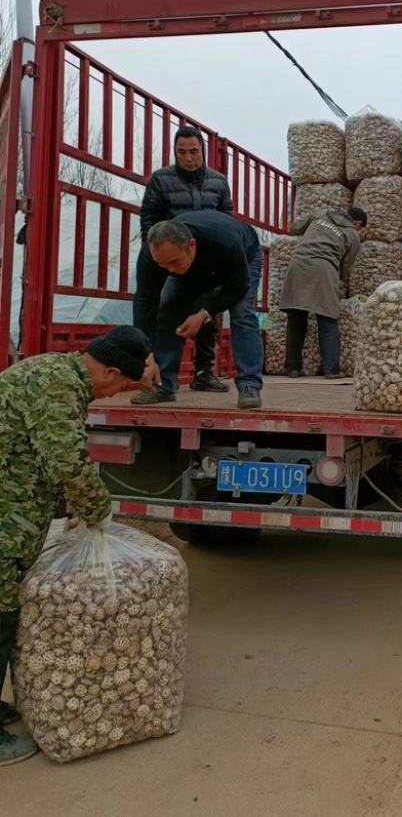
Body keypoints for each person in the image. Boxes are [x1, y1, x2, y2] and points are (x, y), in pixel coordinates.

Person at [0, 326, 152, 766]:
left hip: (11, 515)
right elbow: (66, 461)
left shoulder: (53, 371)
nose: (116, 394)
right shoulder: (57, 385)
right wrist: (99, 510)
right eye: (121, 385)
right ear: (107, 371)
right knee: (0, 616)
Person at [134, 124, 233, 394]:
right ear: (175, 153)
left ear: (203, 150)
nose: (188, 157)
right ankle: (164, 378)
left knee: (207, 314)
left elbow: (226, 219)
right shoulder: (160, 180)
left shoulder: (219, 182)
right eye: (182, 152)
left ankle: (203, 372)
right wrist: (156, 255)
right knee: (167, 312)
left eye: (193, 151)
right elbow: (149, 220)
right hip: (171, 258)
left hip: (206, 260)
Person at [134, 211, 264, 410]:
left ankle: (249, 385)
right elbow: (145, 303)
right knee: (167, 310)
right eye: (162, 265)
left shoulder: (225, 240)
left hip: (244, 256)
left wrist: (204, 313)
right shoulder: (152, 256)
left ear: (191, 245)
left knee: (241, 312)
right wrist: (145, 354)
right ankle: (163, 386)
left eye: (174, 262)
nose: (169, 270)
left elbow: (237, 288)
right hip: (196, 266)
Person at [279, 208, 367, 378]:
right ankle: (331, 369)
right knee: (327, 318)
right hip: (324, 269)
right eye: (361, 228)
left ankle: (293, 368)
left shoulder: (321, 214)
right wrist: (338, 278)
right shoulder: (352, 234)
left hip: (298, 264)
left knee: (296, 317)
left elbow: (295, 228)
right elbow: (347, 266)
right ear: (357, 223)